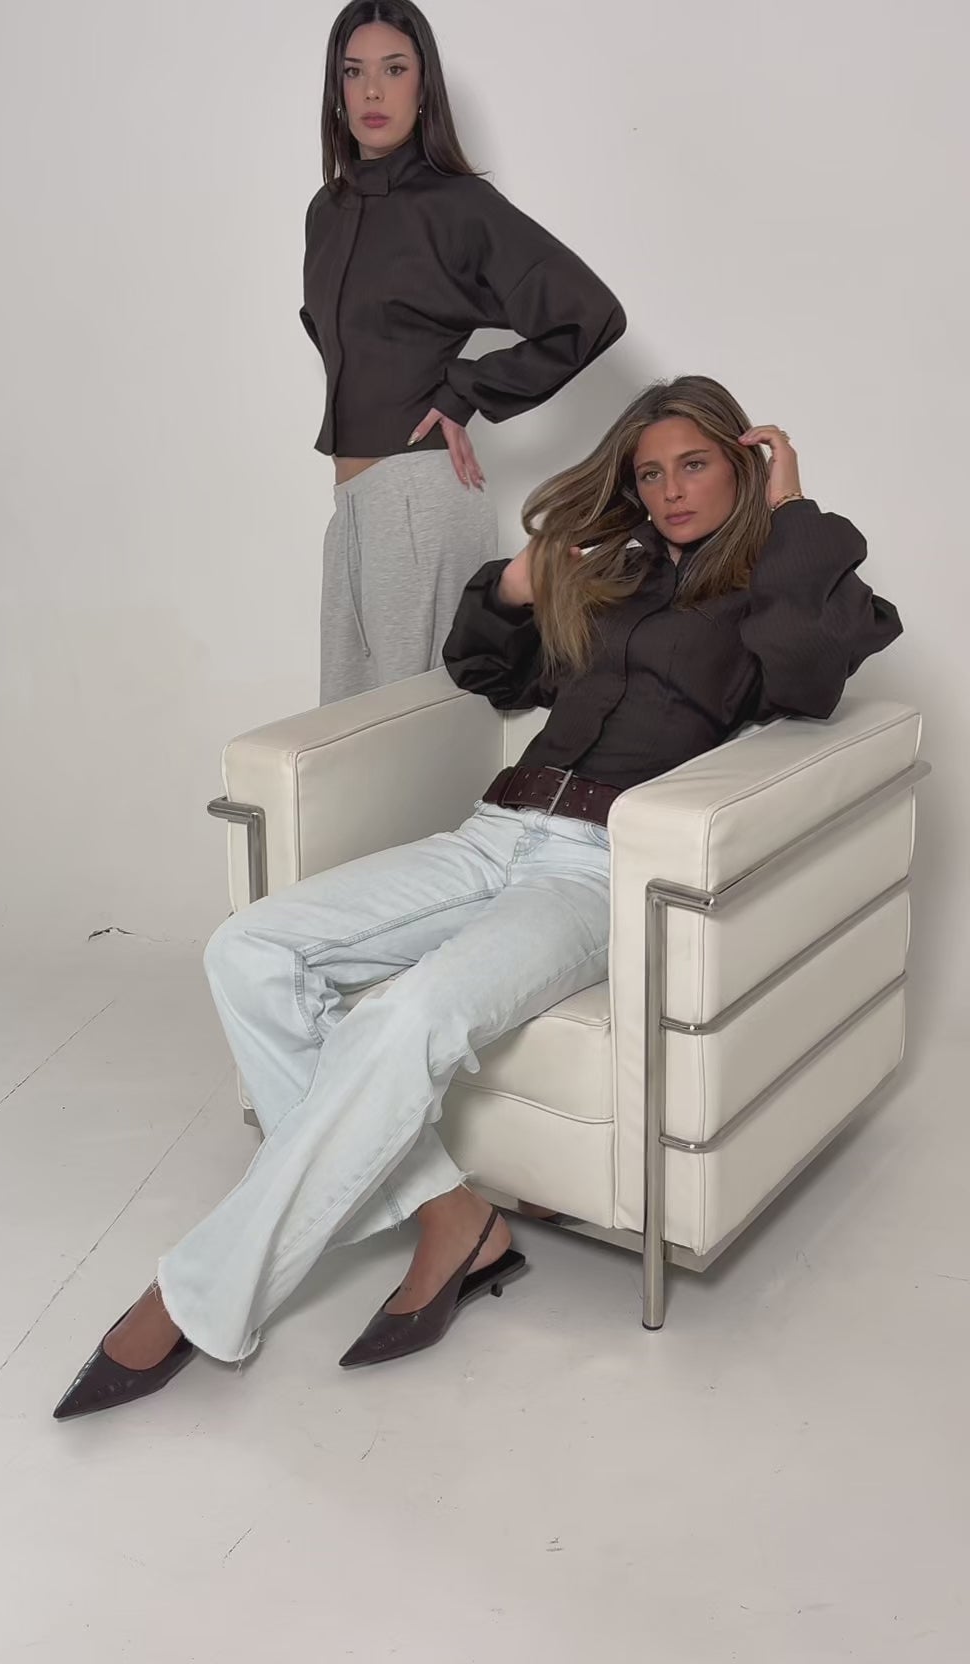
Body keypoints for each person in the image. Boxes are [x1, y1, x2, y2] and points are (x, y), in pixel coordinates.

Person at [54, 377, 901, 1419]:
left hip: (601, 868)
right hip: (493, 833)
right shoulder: (619, 572)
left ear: (744, 462)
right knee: (249, 949)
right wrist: (512, 587)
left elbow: (810, 679)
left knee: (410, 1015)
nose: (671, 491)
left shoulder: (780, 584)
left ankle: (195, 1299)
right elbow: (490, 677)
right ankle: (454, 1217)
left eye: (695, 465)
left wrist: (792, 511)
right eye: (650, 474)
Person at [303, 0, 627, 703]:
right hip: (351, 508)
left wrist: (466, 389)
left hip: (421, 497)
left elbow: (589, 315)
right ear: (336, 90)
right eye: (354, 72)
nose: (373, 90)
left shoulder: (457, 206)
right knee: (342, 734)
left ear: (424, 88)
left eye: (394, 69)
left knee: (410, 726)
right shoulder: (325, 213)